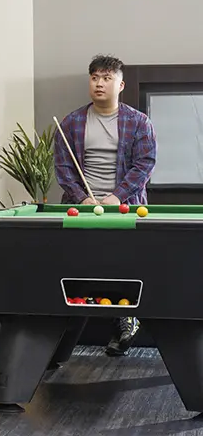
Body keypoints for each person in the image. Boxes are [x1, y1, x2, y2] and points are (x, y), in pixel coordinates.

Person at [55, 54, 157, 356]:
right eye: (94, 77)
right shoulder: (71, 123)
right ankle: (64, 342)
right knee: (80, 269)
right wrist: (83, 198)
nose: (99, 83)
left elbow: (145, 164)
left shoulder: (138, 122)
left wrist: (116, 197)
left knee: (122, 265)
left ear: (120, 84)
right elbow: (63, 168)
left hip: (125, 207)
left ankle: (125, 321)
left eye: (106, 78)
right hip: (80, 207)